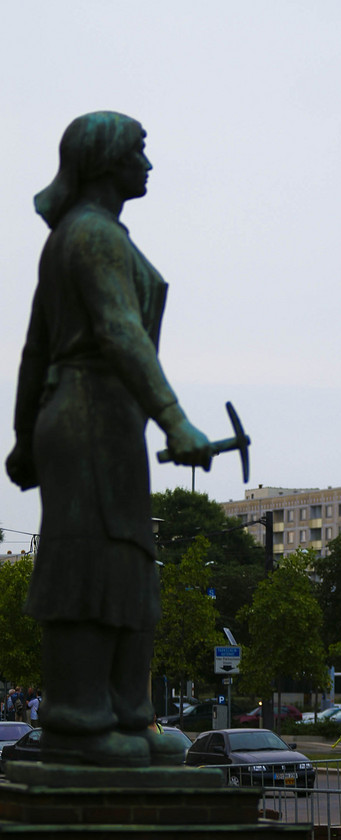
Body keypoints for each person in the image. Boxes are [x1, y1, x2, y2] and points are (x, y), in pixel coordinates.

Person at [6, 111, 213, 768]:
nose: (148, 166)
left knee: (127, 558)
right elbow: (119, 331)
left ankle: (127, 714)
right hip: (89, 412)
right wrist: (175, 417)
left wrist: (22, 438)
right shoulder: (88, 236)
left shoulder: (94, 236)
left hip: (102, 416)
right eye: (140, 153)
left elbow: (33, 349)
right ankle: (79, 720)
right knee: (91, 557)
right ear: (106, 162)